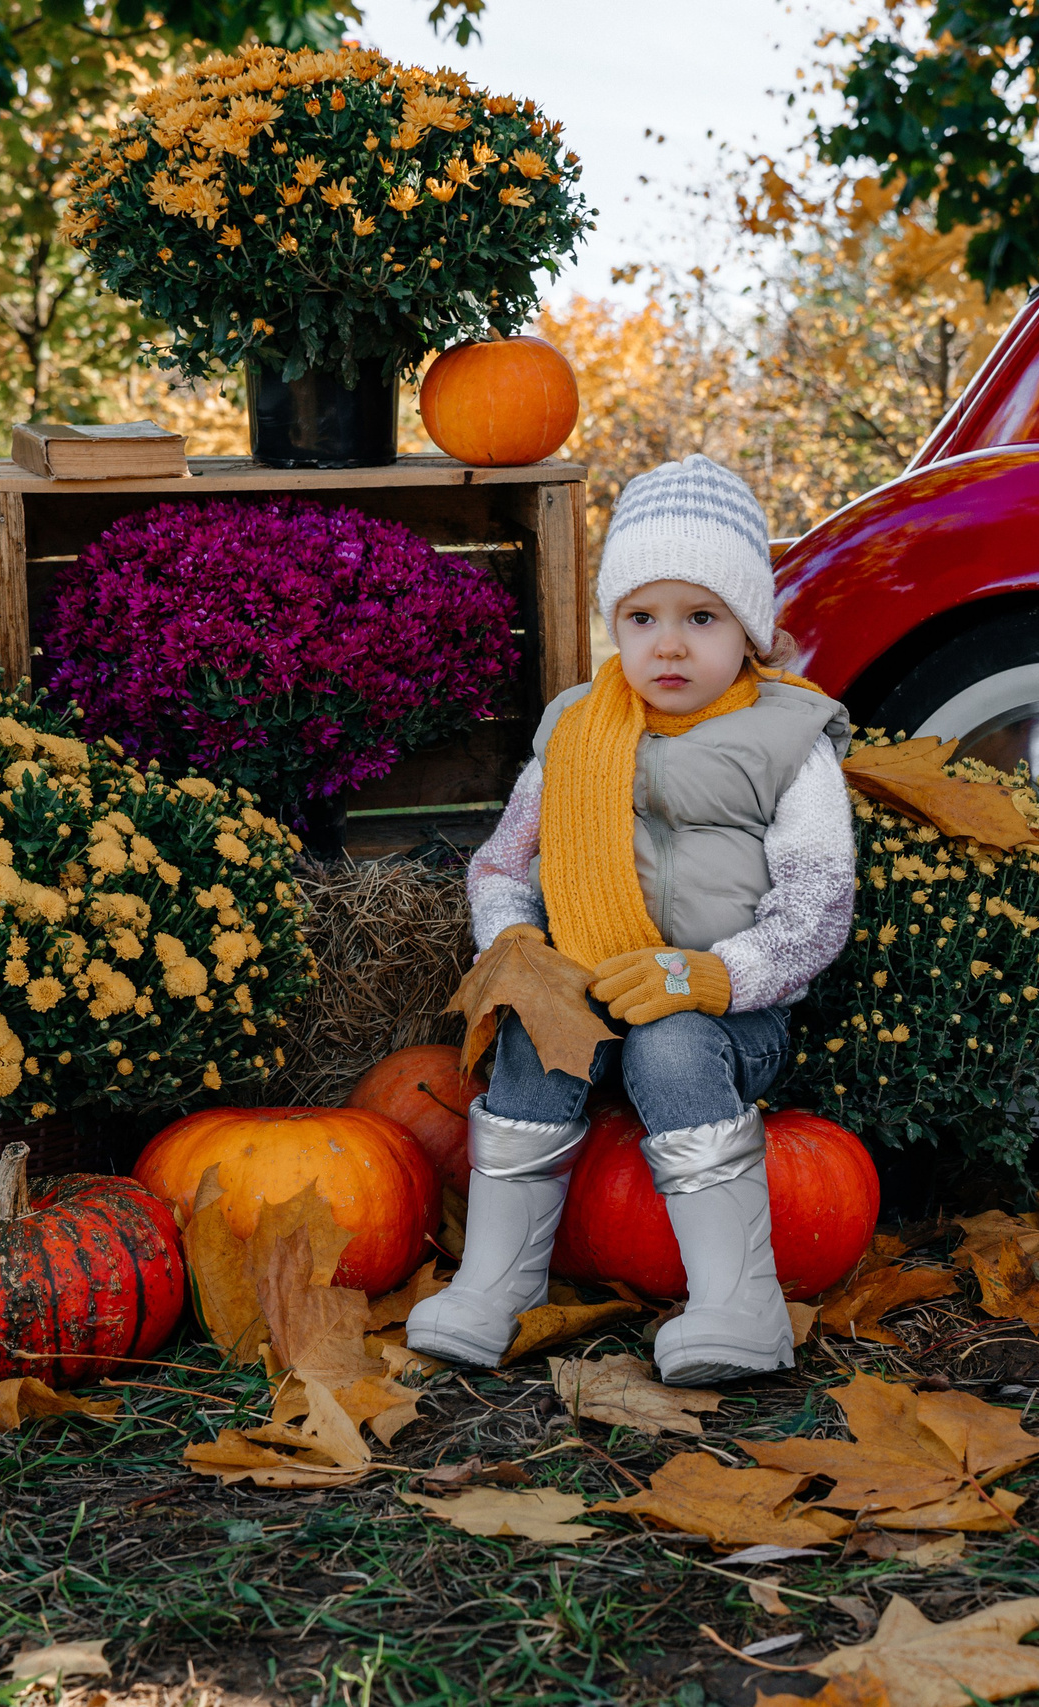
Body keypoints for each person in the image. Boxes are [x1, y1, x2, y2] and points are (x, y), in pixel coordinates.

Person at [405, 455, 855, 1386]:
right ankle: (496, 1284)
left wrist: (714, 975)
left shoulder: (790, 738)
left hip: (732, 1011)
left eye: (702, 617)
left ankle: (740, 1301)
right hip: (594, 982)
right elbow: (502, 861)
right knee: (537, 1036)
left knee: (671, 1049)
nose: (670, 646)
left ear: (749, 629)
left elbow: (817, 904)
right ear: (614, 625)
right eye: (642, 619)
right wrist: (516, 945)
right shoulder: (575, 728)